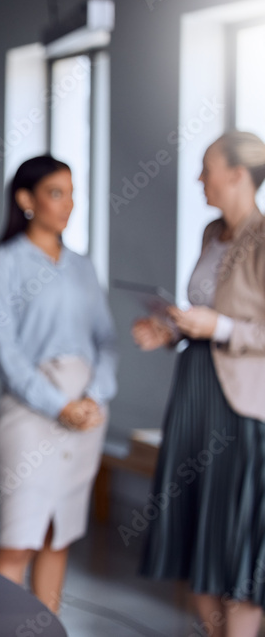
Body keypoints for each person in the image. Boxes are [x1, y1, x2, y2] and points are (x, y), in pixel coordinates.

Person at [136, 131, 265, 637]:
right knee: (200, 546)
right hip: (195, 394)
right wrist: (170, 330)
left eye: (207, 168)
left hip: (243, 408)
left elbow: (236, 325)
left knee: (239, 550)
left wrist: (220, 328)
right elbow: (205, 314)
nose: (199, 178)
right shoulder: (212, 233)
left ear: (237, 174)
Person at [0, 155, 117, 613]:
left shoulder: (81, 266)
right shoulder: (4, 263)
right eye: (57, 193)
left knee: (58, 539)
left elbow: (106, 341)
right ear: (26, 199)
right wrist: (59, 405)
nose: (69, 205)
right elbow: (7, 353)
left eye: (72, 193)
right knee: (20, 539)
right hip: (32, 414)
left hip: (87, 414)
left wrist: (95, 397)